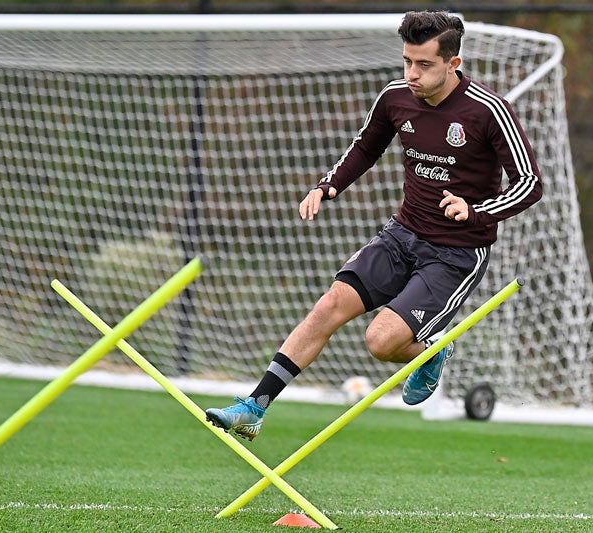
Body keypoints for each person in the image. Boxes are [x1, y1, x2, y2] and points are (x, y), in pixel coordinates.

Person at [206, 10, 543, 440]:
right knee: (328, 306)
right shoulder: (395, 97)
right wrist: (328, 186)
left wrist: (477, 211)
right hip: (401, 234)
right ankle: (255, 406)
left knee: (380, 342)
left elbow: (530, 183)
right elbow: (365, 148)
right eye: (407, 62)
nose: (412, 74)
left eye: (424, 65)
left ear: (453, 64)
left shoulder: (487, 110)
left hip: (456, 253)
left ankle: (431, 353)